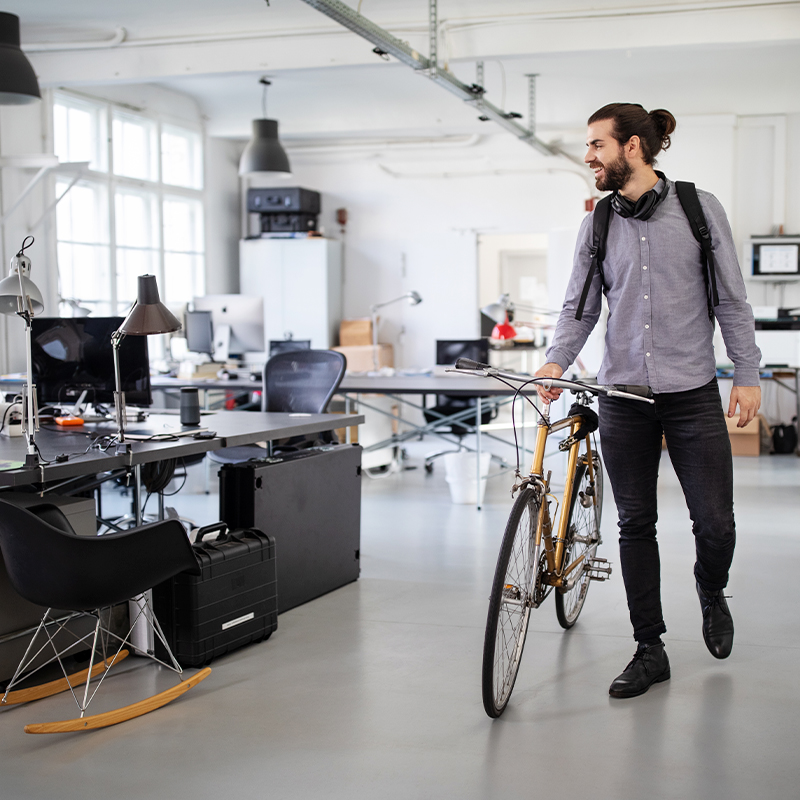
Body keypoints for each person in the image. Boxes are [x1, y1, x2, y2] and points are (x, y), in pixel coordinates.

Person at [535, 103, 761, 699]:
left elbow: (732, 300)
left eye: (596, 146)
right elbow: (579, 307)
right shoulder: (598, 224)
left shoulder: (698, 208)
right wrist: (556, 359)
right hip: (622, 396)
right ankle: (649, 647)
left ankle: (711, 589)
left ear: (632, 147)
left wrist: (747, 372)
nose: (588, 157)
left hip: (691, 394)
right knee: (636, 523)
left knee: (716, 524)